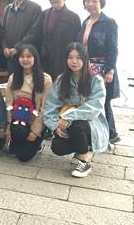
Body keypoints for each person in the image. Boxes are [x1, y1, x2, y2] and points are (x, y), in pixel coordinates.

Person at [44, 42, 109, 178]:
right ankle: (80, 150)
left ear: (85, 59)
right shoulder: (62, 80)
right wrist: (55, 126)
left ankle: (84, 160)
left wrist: (68, 117)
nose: (74, 61)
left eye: (78, 58)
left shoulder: (96, 80)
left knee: (76, 125)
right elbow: (50, 106)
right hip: (67, 122)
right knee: (57, 147)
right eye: (70, 57)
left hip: (92, 123)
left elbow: (94, 108)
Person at [79, 0, 121, 144]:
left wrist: (109, 70)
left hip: (103, 68)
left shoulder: (109, 22)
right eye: (87, 1)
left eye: (94, 1)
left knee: (104, 100)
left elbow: (113, 48)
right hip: (87, 67)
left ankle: (111, 134)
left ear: (101, 2)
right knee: (92, 101)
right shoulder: (85, 22)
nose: (90, 4)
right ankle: (97, 133)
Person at [22, 0, 81, 80]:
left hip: (63, 62)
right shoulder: (44, 14)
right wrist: (18, 47)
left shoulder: (73, 17)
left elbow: (77, 43)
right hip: (45, 62)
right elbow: (33, 34)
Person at [5, 44, 53, 161]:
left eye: (29, 56)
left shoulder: (45, 80)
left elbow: (45, 108)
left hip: (36, 121)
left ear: (35, 58)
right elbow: (9, 105)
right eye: (22, 56)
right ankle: (16, 142)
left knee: (24, 156)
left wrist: (35, 132)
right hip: (18, 121)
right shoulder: (13, 78)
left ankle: (35, 143)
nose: (25, 59)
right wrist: (8, 129)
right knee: (18, 134)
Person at [2, 0, 42, 74]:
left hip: (27, 58)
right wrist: (4, 47)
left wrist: (17, 48)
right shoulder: (8, 9)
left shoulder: (35, 8)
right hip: (11, 57)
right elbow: (2, 31)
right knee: (13, 81)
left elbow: (34, 33)